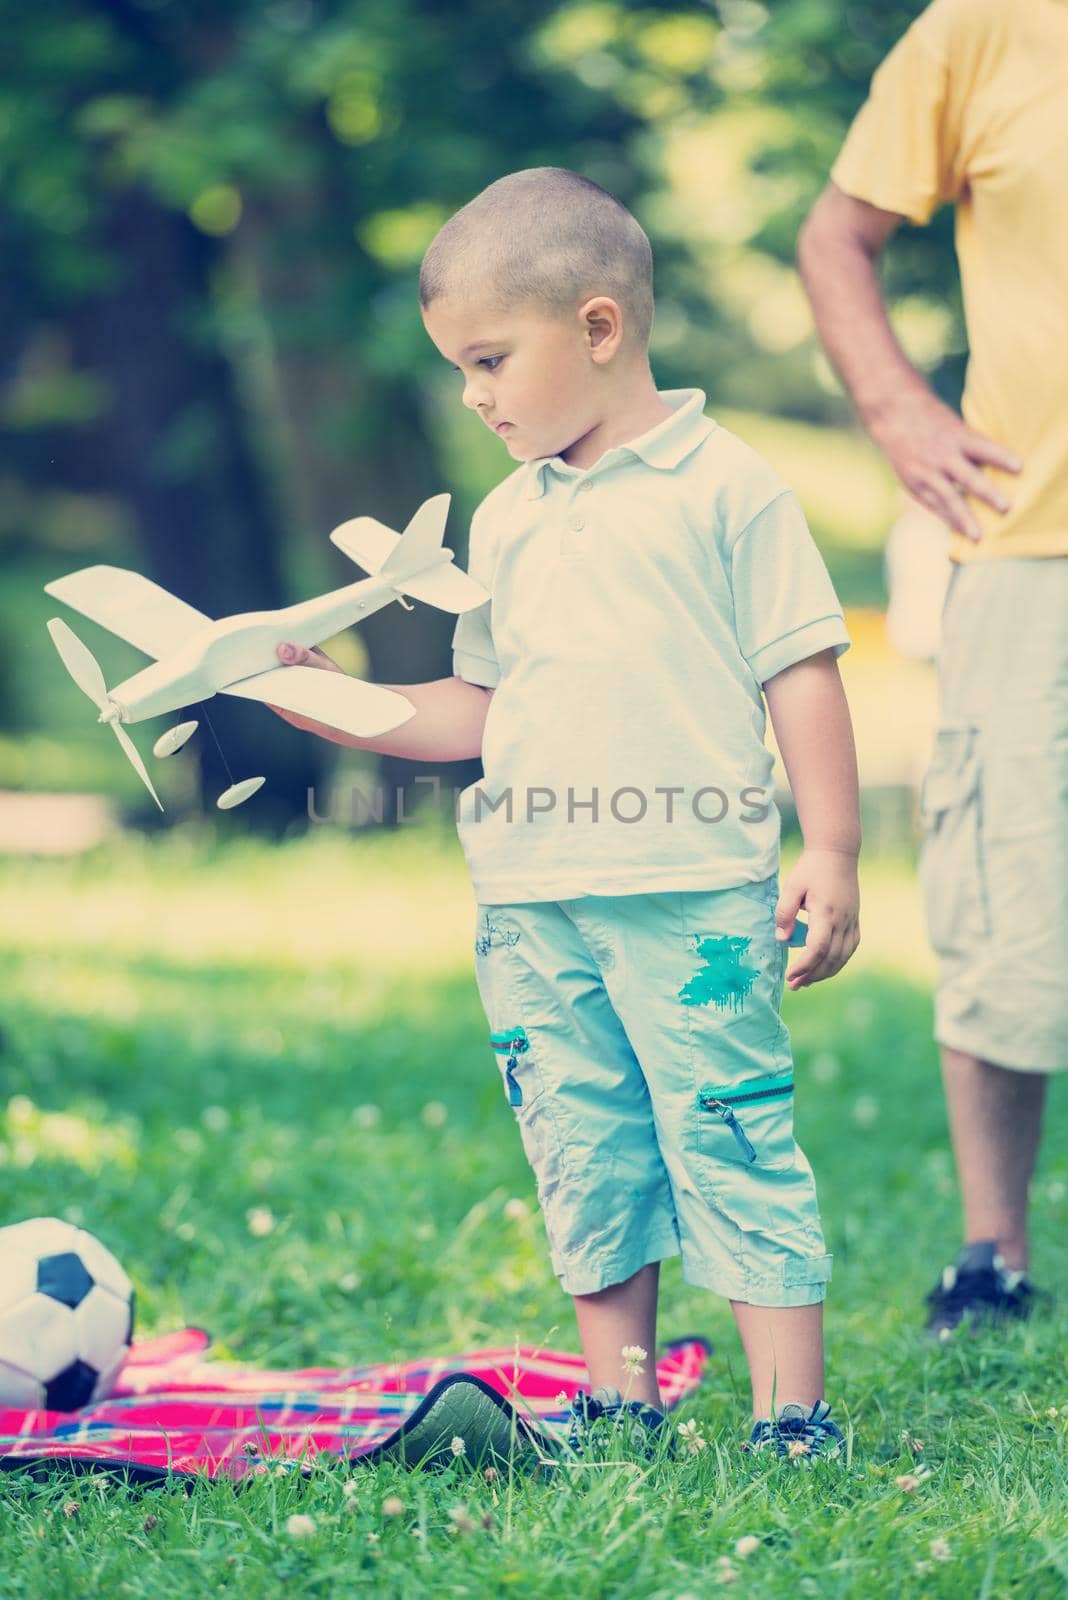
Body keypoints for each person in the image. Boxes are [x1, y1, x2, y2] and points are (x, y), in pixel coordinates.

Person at [270, 167, 861, 1458]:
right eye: (459, 368)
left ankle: (790, 1416)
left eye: (490, 359)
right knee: (585, 1149)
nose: (473, 396)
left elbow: (801, 668)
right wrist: (336, 709)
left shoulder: (726, 486)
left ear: (598, 328)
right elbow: (481, 707)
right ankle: (619, 1400)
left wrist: (831, 848)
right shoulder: (510, 517)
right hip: (534, 902)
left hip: (692, 891)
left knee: (730, 1133)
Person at [797, 0, 1067, 1338]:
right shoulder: (983, 28)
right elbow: (834, 233)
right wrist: (899, 407)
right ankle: (992, 1255)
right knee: (1008, 897)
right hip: (1036, 544)